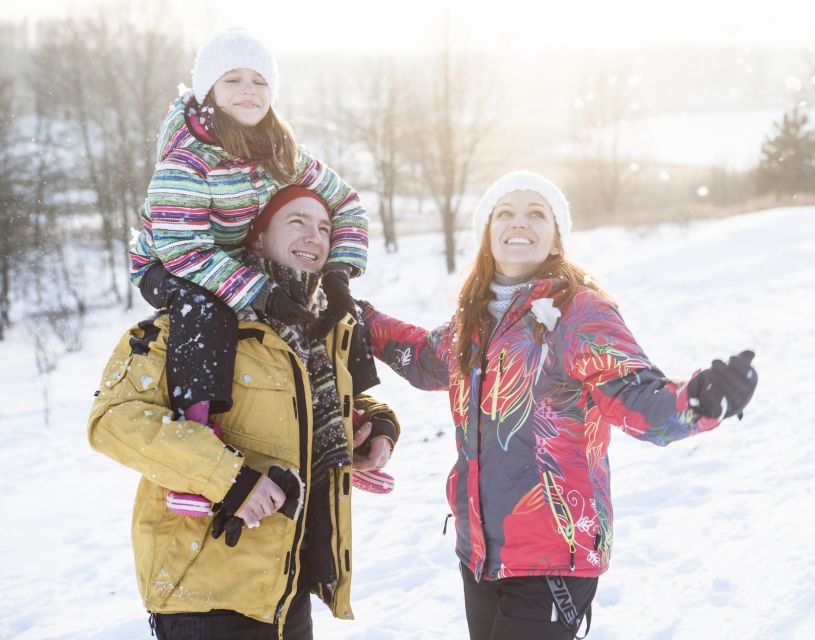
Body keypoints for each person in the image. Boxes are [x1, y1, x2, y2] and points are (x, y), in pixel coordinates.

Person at [359, 171, 758, 639]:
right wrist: (360, 318)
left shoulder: (578, 312)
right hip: (481, 554)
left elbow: (638, 397)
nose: (519, 223)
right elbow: (424, 358)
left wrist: (697, 401)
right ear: (487, 235)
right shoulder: (475, 319)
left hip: (554, 555)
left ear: (555, 239)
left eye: (536, 213)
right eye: (504, 213)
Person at [89, 186, 397, 639]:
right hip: (206, 593)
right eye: (297, 222)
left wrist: (376, 425)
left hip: (285, 586)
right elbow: (113, 420)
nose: (314, 236)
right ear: (256, 236)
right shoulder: (194, 320)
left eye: (325, 227)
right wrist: (229, 479)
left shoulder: (317, 329)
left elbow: (316, 403)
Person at [130, 28, 368, 441]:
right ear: (209, 90)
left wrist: (338, 272)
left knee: (324, 299)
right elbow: (185, 253)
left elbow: (346, 203)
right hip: (166, 264)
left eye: (259, 81)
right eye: (233, 79)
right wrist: (259, 293)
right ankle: (197, 425)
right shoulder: (187, 159)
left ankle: (353, 414)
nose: (248, 90)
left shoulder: (278, 152)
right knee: (205, 304)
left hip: (230, 258)